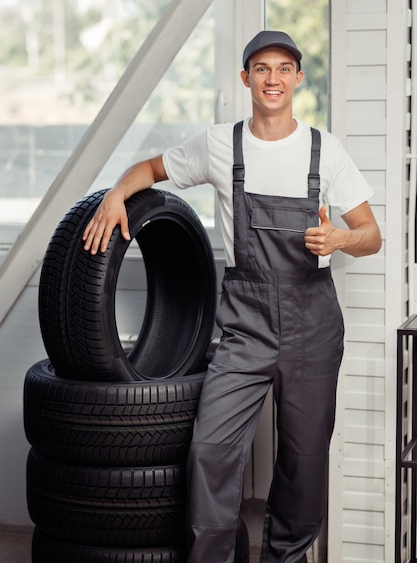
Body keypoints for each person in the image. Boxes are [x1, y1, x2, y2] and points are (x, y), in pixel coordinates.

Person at [83, 30, 381, 563]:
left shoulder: (323, 149)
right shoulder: (221, 144)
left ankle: (284, 557)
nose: (273, 79)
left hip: (313, 325)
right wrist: (114, 194)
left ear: (297, 78)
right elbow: (151, 170)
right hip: (246, 325)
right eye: (262, 69)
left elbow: (372, 235)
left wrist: (340, 238)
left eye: (283, 69)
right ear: (246, 78)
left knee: (304, 461)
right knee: (210, 452)